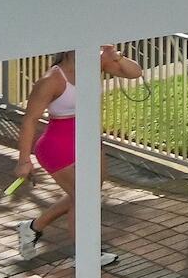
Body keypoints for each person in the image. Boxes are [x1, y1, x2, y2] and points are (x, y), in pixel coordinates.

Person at [11, 46, 140, 266]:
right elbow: (30, 120)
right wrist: (24, 160)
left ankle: (32, 227)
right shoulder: (52, 79)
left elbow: (135, 72)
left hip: (89, 140)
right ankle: (85, 255)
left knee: (84, 196)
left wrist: (115, 56)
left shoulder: (97, 62)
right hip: (58, 147)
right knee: (84, 199)